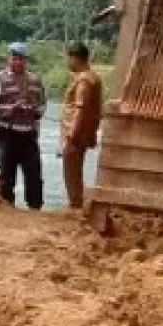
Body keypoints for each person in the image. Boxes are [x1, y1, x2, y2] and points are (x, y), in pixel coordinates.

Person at [0, 42, 47, 210]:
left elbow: (43, 104)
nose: (18, 62)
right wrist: (11, 109)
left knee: (34, 175)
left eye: (21, 59)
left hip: (29, 134)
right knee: (7, 175)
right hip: (6, 133)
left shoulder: (35, 79)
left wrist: (35, 111)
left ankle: (35, 209)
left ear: (26, 60)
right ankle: (7, 209)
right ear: (8, 59)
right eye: (15, 59)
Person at [59, 43, 103, 209]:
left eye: (69, 58)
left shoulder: (84, 79)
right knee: (75, 172)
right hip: (82, 134)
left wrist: (71, 136)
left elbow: (80, 109)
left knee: (72, 174)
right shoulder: (92, 77)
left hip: (76, 135)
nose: (68, 62)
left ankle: (76, 206)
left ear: (75, 58)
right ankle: (77, 204)